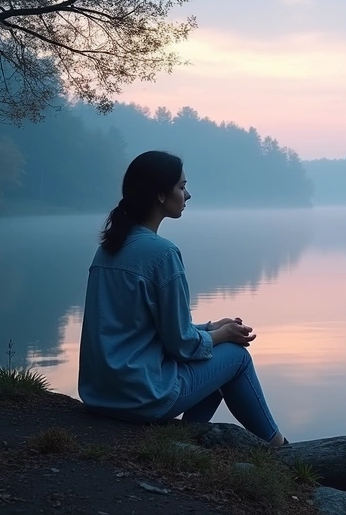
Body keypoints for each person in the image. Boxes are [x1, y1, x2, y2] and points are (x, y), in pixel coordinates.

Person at [77, 150, 287, 446]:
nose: (187, 195)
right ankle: (280, 449)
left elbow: (149, 329)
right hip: (141, 398)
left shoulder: (109, 248)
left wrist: (212, 329)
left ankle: (184, 440)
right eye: (181, 186)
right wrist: (223, 336)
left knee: (213, 359)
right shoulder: (162, 254)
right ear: (161, 195)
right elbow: (181, 345)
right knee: (236, 358)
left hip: (100, 396)